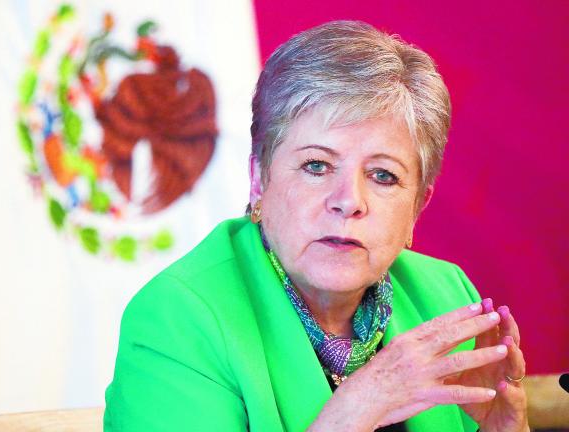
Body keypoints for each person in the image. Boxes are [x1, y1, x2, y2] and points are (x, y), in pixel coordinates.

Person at [103, 20, 528, 431]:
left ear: (417, 206)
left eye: (382, 175)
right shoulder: (179, 318)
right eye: (317, 165)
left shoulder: (447, 297)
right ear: (259, 179)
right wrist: (361, 405)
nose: (348, 201)